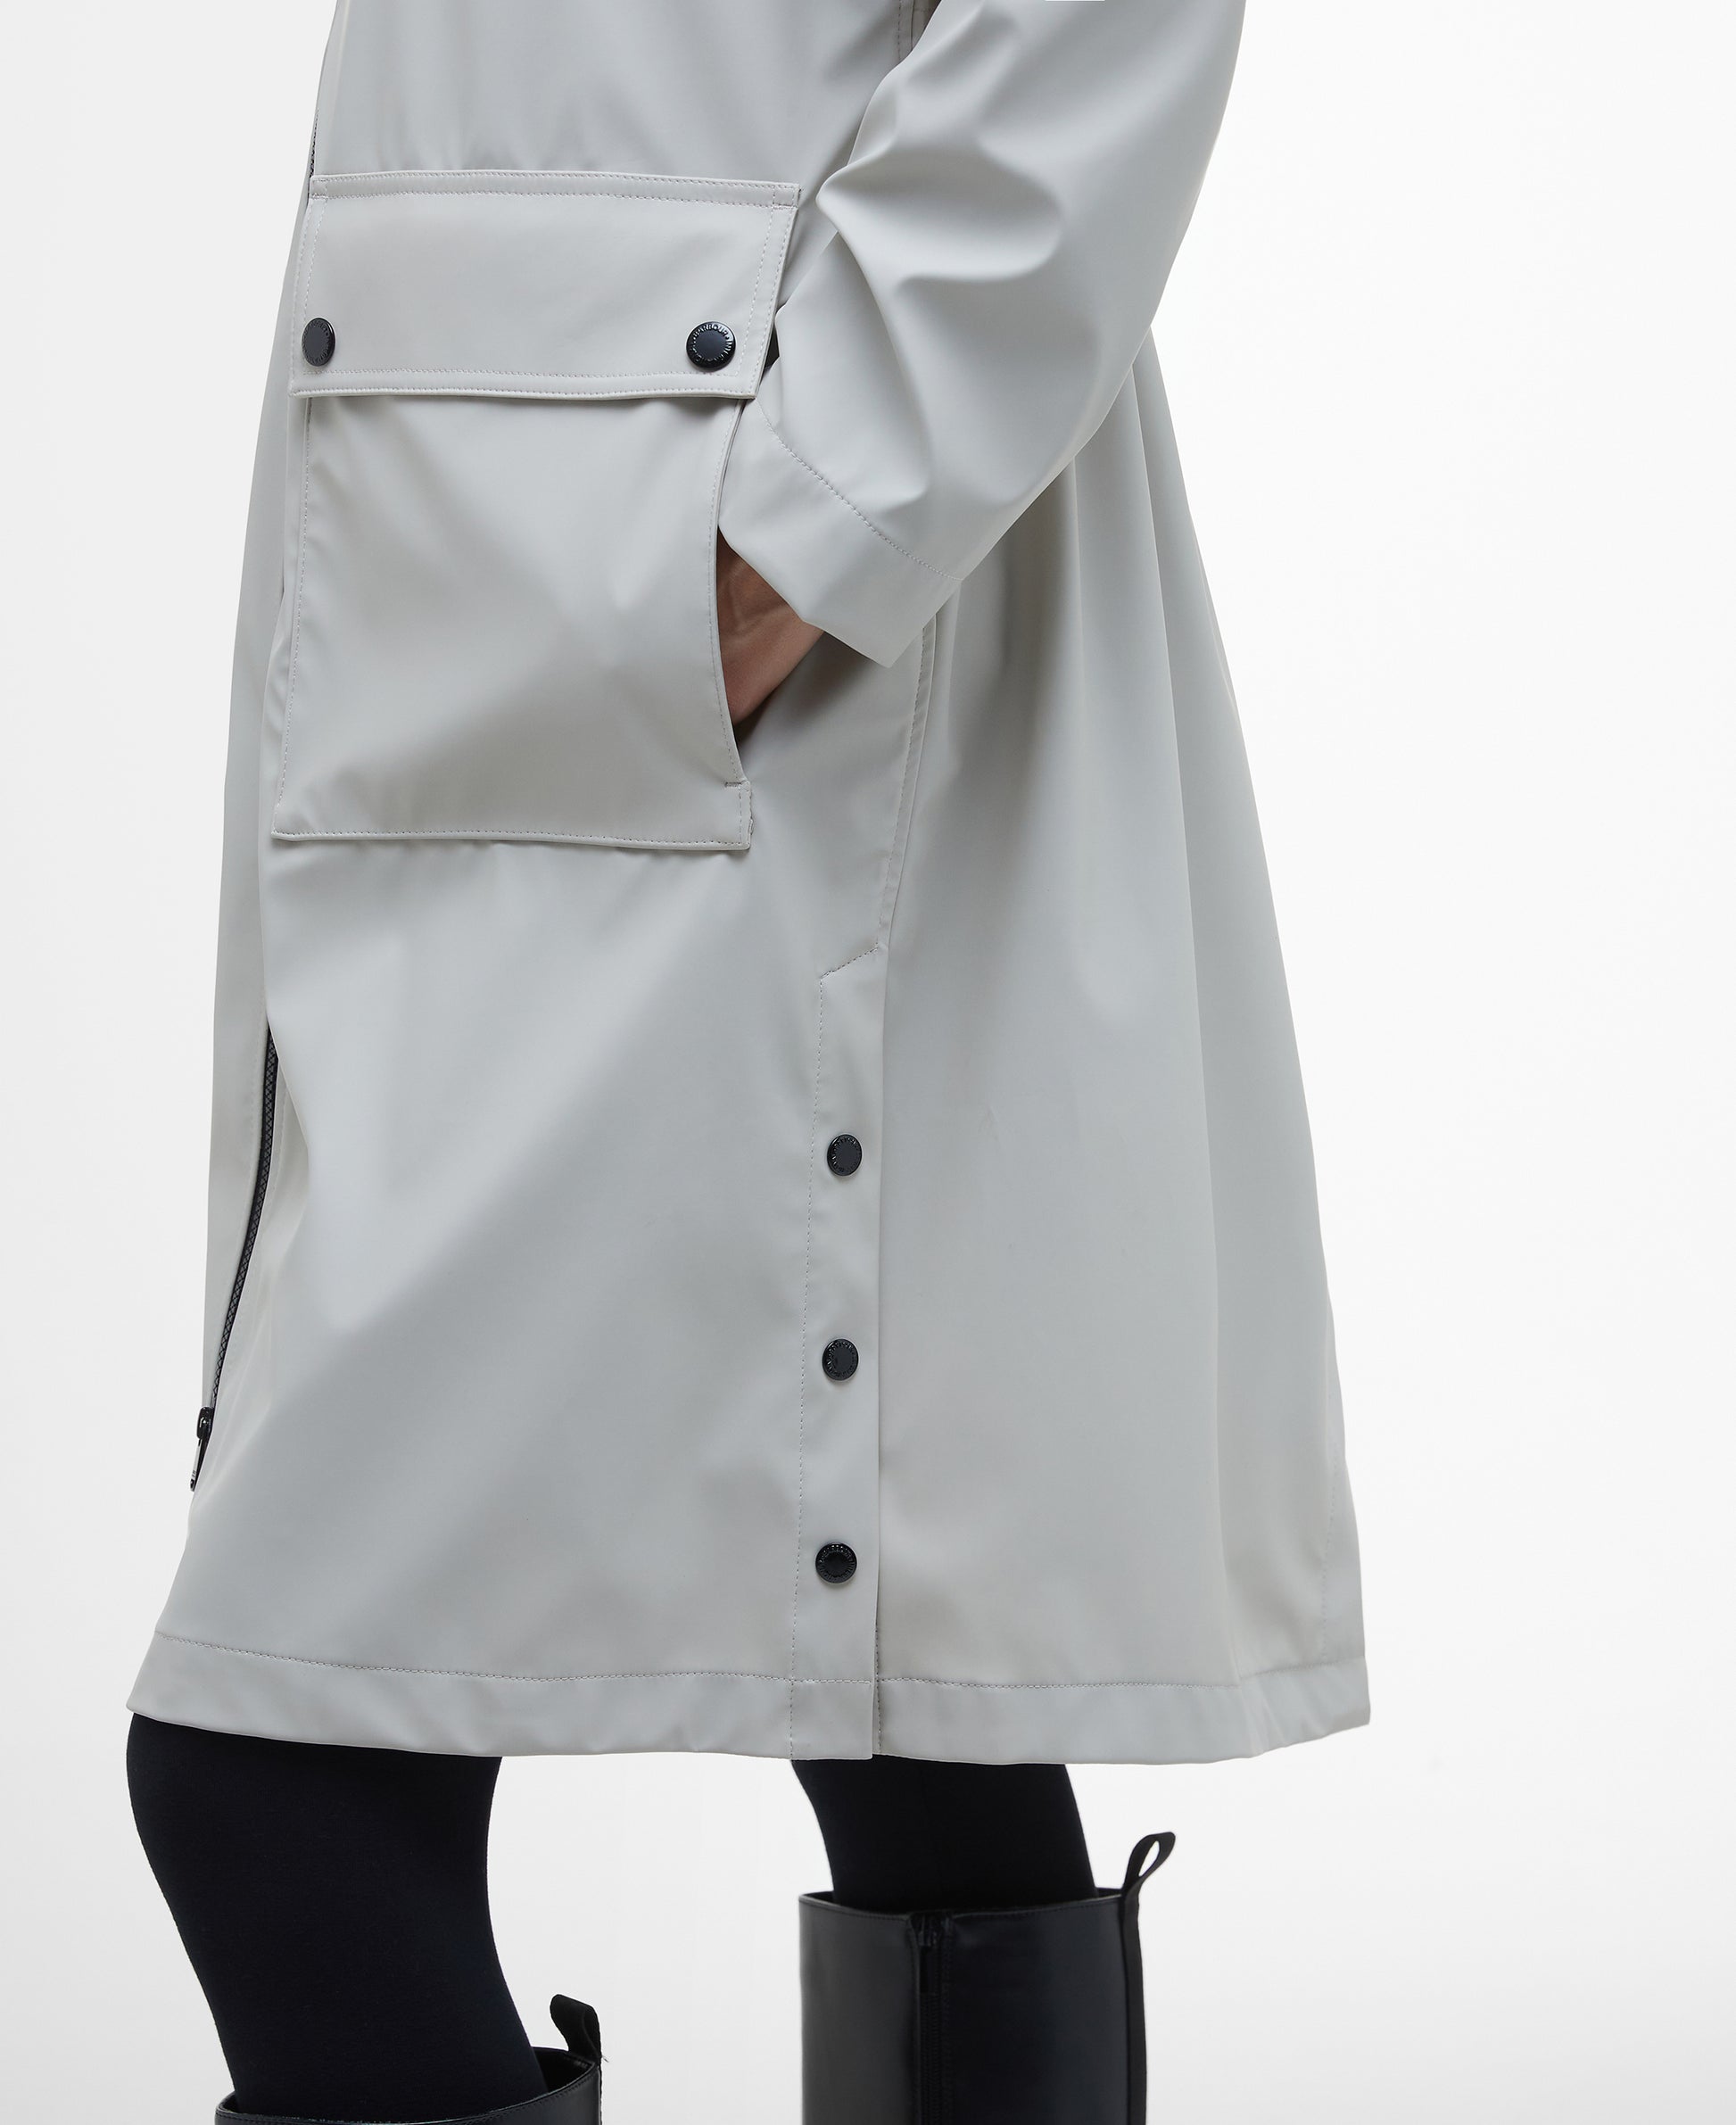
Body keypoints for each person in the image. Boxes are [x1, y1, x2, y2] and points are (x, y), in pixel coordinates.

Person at [128, 4, 1367, 2119]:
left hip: (732, 569)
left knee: (289, 1764)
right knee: (895, 1701)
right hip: (458, 544)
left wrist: (794, 532)